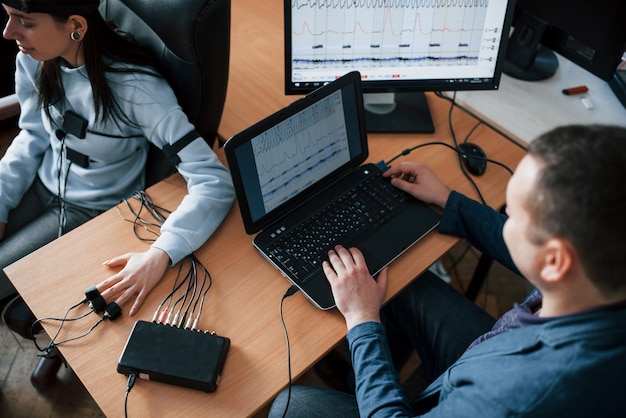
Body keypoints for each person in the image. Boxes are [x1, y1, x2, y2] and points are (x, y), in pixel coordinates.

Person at [269, 124, 626, 417]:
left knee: (291, 406)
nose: (505, 222)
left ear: (555, 262)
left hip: (483, 382)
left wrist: (363, 323)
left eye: (514, 217)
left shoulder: (515, 394)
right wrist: (447, 199)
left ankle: (366, 380)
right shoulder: (599, 274)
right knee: (405, 284)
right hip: (497, 350)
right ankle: (358, 382)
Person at [0, 0, 234, 385]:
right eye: (8, 17)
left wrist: (161, 253)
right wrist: (3, 202)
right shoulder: (33, 56)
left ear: (75, 24)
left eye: (24, 22)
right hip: (42, 182)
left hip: (91, 212)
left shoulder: (136, 88)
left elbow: (213, 181)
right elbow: (34, 133)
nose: (8, 33)